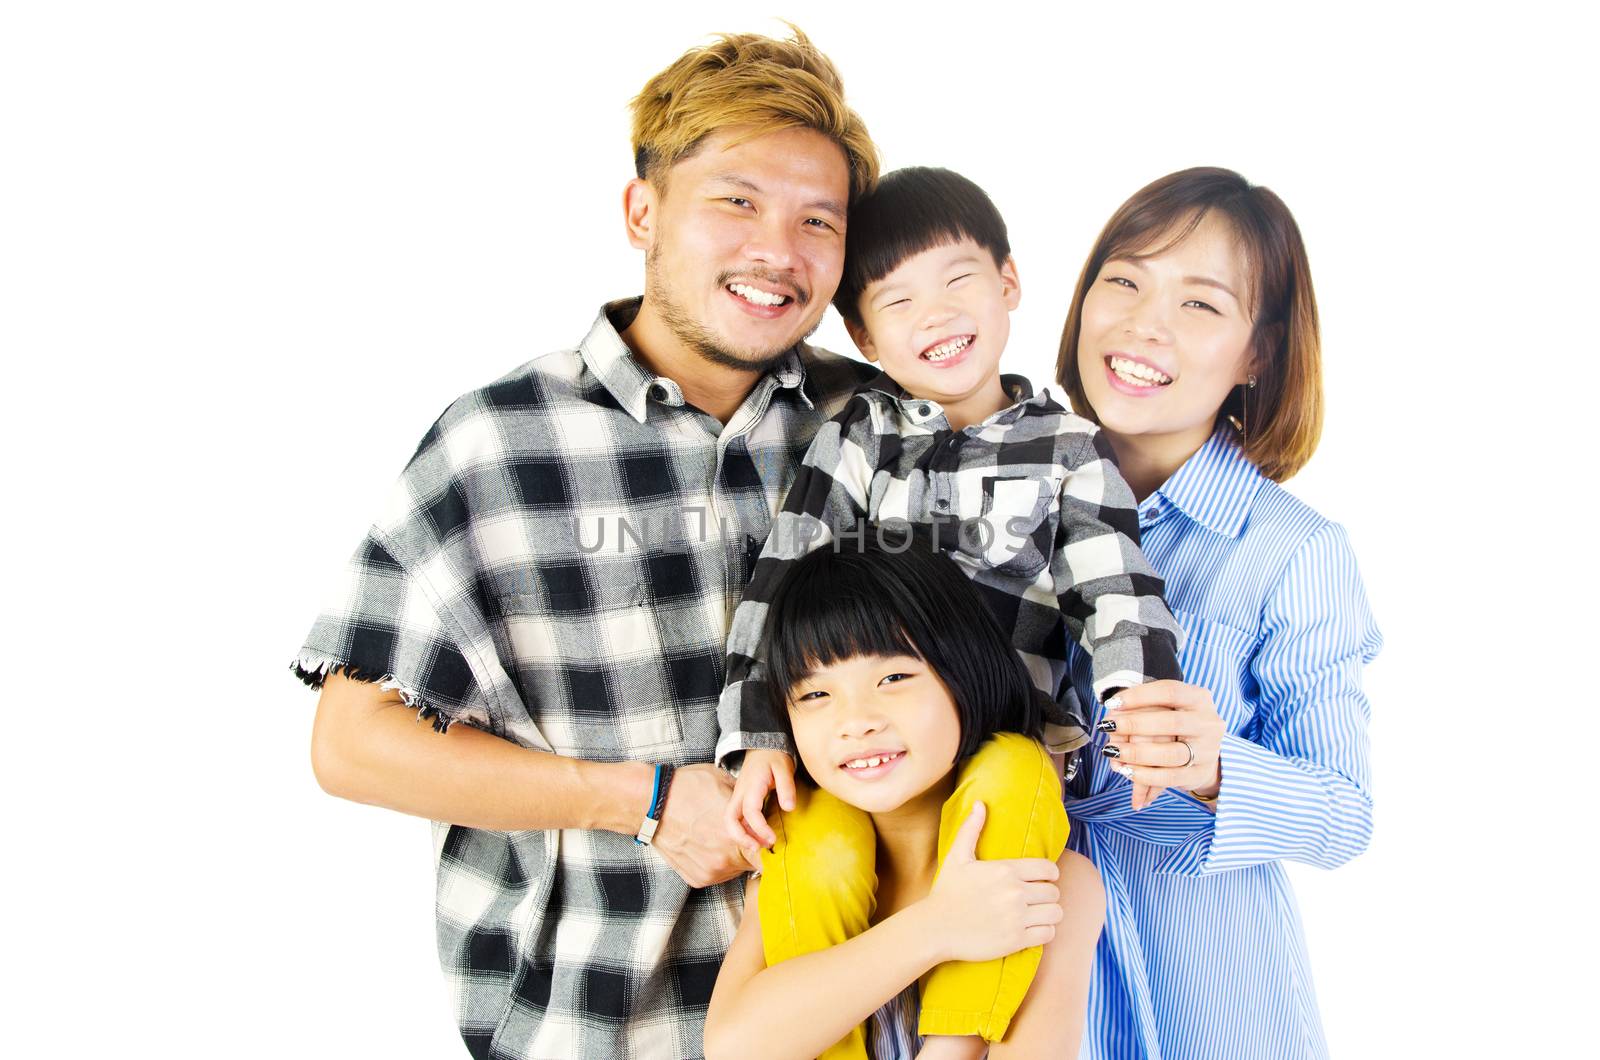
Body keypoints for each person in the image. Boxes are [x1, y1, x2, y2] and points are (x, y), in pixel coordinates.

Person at [289, 28, 881, 1059]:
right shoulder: (498, 443)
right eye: (734, 200)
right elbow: (351, 742)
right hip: (603, 1022)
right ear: (641, 212)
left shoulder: (879, 425)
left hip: (861, 1014)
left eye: (816, 220)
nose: (777, 251)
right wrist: (642, 801)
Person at [712, 167, 1183, 1053]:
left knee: (1012, 780)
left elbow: (1117, 589)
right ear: (861, 332)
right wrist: (760, 732)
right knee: (814, 848)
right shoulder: (860, 440)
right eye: (897, 300)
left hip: (1005, 738)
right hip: (869, 755)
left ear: (1009, 284)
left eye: (957, 281)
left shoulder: (1065, 450)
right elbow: (781, 583)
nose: (934, 315)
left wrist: (1142, 709)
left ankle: (953, 1044)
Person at [1055, 167, 1383, 1059]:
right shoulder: (989, 495)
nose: (1143, 325)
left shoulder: (1290, 550)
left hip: (1202, 980)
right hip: (1005, 949)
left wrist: (1214, 767)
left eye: (1201, 305)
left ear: (1258, 354)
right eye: (1122, 280)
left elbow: (1344, 814)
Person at [703, 538, 1106, 1060]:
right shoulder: (797, 865)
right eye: (815, 695)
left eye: (893, 677)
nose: (856, 722)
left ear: (965, 673)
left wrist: (953, 1042)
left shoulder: (1047, 879)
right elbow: (736, 1048)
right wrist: (937, 927)